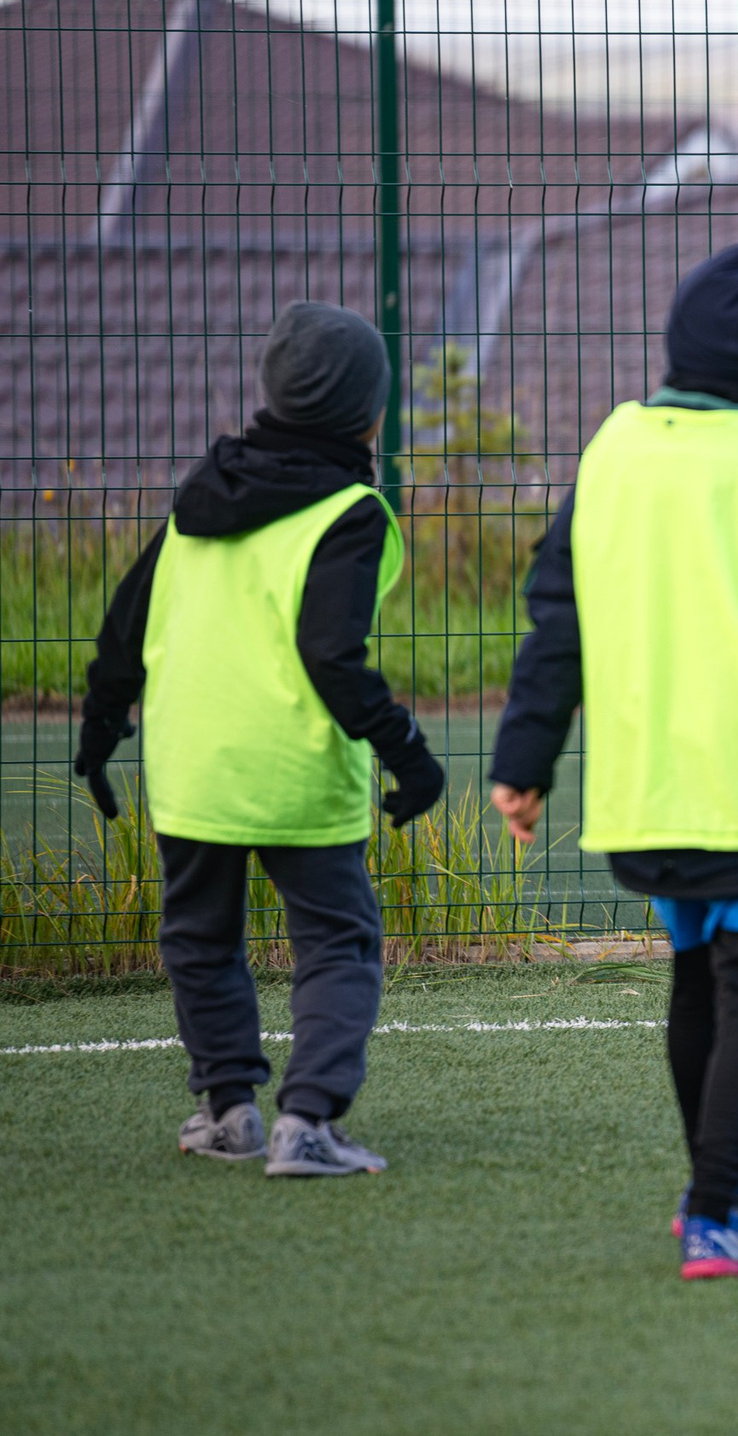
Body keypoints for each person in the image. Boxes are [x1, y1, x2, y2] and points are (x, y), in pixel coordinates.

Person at [487, 245, 738, 1280]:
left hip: (642, 791)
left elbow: (556, 614)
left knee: (695, 979)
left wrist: (526, 759)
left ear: (677, 345)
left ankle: (722, 1170)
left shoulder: (613, 449)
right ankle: (712, 1212)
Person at [75, 302, 447, 1176]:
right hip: (294, 773)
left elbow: (123, 630)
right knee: (338, 939)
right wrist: (407, 753)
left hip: (194, 769)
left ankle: (229, 1110)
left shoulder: (198, 501)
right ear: (368, 409)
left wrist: (98, 731)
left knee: (200, 939)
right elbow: (331, 655)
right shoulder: (350, 511)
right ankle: (308, 1121)